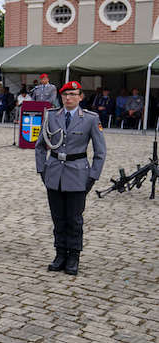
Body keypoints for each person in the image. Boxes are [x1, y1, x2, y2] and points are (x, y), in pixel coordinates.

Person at [35, 81, 106, 275]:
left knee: (74, 219)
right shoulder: (51, 115)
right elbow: (40, 145)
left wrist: (93, 176)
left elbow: (100, 151)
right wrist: (42, 169)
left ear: (81, 97)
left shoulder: (91, 118)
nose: (68, 98)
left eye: (73, 94)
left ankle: (74, 255)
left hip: (78, 174)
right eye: (65, 94)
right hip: (54, 172)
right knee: (58, 218)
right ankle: (60, 254)